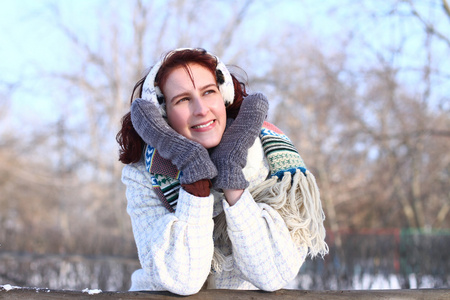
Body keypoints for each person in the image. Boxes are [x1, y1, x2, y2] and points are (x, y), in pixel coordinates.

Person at [116, 48, 328, 295]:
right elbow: (182, 279)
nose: (201, 109)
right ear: (162, 115)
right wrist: (193, 172)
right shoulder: (144, 174)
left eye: (208, 92)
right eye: (183, 99)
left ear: (223, 97)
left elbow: (273, 274)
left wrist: (231, 176)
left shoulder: (274, 160)